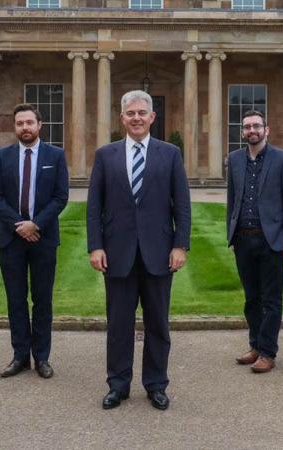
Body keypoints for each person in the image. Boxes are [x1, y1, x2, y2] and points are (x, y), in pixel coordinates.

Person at [87, 90, 191, 411]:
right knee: (119, 325)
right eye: (130, 113)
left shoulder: (170, 154)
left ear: (152, 117)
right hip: (117, 254)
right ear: (122, 118)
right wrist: (95, 247)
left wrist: (180, 245)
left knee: (158, 324)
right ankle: (118, 385)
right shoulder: (105, 155)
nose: (136, 118)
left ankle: (156, 384)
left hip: (159, 253)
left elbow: (182, 206)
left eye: (141, 113)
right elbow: (94, 207)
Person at [0, 104, 70, 379]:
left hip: (43, 237)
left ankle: (42, 358)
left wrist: (36, 224)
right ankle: (20, 356)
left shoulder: (55, 155)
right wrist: (19, 226)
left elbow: (61, 196)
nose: (25, 127)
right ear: (15, 127)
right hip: (11, 239)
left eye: (29, 122)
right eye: (20, 123)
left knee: (42, 299)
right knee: (15, 300)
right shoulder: (2, 156)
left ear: (39, 125)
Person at [225, 110, 283, 374]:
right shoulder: (234, 159)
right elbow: (232, 201)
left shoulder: (282, 159)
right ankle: (255, 345)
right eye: (247, 127)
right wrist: (230, 234)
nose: (252, 131)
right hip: (243, 240)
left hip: (272, 240)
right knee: (251, 298)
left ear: (266, 130)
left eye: (256, 126)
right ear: (242, 131)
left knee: (271, 299)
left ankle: (268, 351)